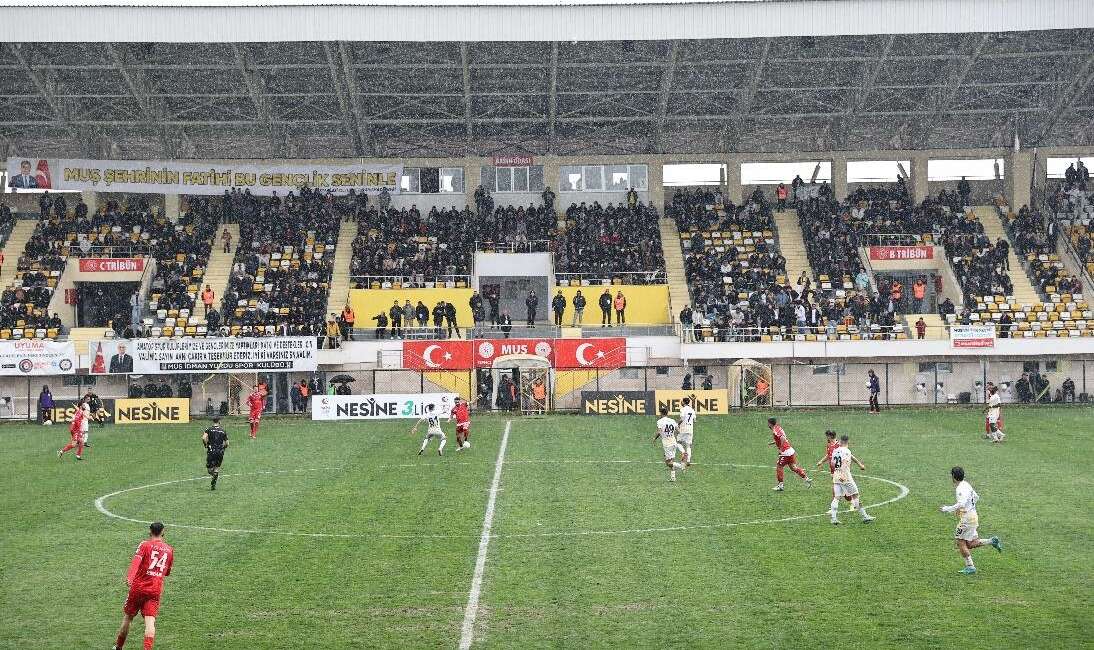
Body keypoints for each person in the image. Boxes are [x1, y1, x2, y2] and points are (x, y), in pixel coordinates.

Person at [112, 522, 174, 650]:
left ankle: (118, 647)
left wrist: (130, 578)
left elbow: (136, 562)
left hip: (138, 588)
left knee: (128, 617)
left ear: (150, 531)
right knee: (150, 622)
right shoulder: (169, 550)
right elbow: (166, 572)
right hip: (155, 590)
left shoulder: (144, 545)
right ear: (163, 532)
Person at [940, 467, 1002, 575]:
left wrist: (947, 509)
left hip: (967, 519)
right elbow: (976, 497)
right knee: (970, 543)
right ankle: (992, 541)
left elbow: (961, 503)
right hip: (973, 515)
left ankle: (970, 567)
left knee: (960, 542)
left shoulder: (960, 489)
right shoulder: (966, 484)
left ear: (954, 477)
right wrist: (968, 507)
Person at [827, 434, 874, 525]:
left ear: (840, 442)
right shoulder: (847, 451)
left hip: (836, 475)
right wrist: (843, 475)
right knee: (856, 496)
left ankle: (833, 518)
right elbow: (845, 462)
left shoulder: (835, 450)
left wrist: (838, 472)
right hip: (845, 477)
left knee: (837, 497)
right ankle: (865, 517)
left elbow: (832, 463)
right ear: (848, 442)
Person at [767, 417, 811, 491]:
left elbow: (783, 438)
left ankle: (780, 485)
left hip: (785, 452)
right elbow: (783, 437)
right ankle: (807, 478)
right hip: (790, 451)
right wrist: (774, 442)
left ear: (770, 424)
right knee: (793, 467)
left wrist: (781, 449)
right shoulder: (778, 427)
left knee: (779, 466)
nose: (767, 424)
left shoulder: (775, 430)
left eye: (768, 423)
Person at [653, 406, 687, 482]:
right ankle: (673, 477)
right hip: (673, 442)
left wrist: (654, 438)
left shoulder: (660, 421)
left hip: (667, 444)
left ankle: (681, 466)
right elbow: (678, 431)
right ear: (667, 413)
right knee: (671, 460)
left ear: (661, 413)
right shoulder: (672, 420)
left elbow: (659, 431)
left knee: (668, 463)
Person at [202, 417, 229, 490]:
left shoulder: (209, 429)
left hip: (211, 451)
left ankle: (213, 476)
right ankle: (215, 478)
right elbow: (227, 443)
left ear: (213, 421)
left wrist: (206, 445)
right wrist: (223, 448)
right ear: (219, 421)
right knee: (217, 467)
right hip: (220, 451)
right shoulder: (223, 431)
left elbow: (204, 438)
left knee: (209, 469)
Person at [677, 397, 696, 466]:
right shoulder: (692, 410)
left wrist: (677, 425)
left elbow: (681, 419)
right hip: (690, 429)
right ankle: (688, 461)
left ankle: (683, 452)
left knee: (678, 442)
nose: (681, 402)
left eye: (681, 401)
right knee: (688, 446)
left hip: (683, 428)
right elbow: (695, 420)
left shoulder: (683, 409)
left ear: (684, 402)